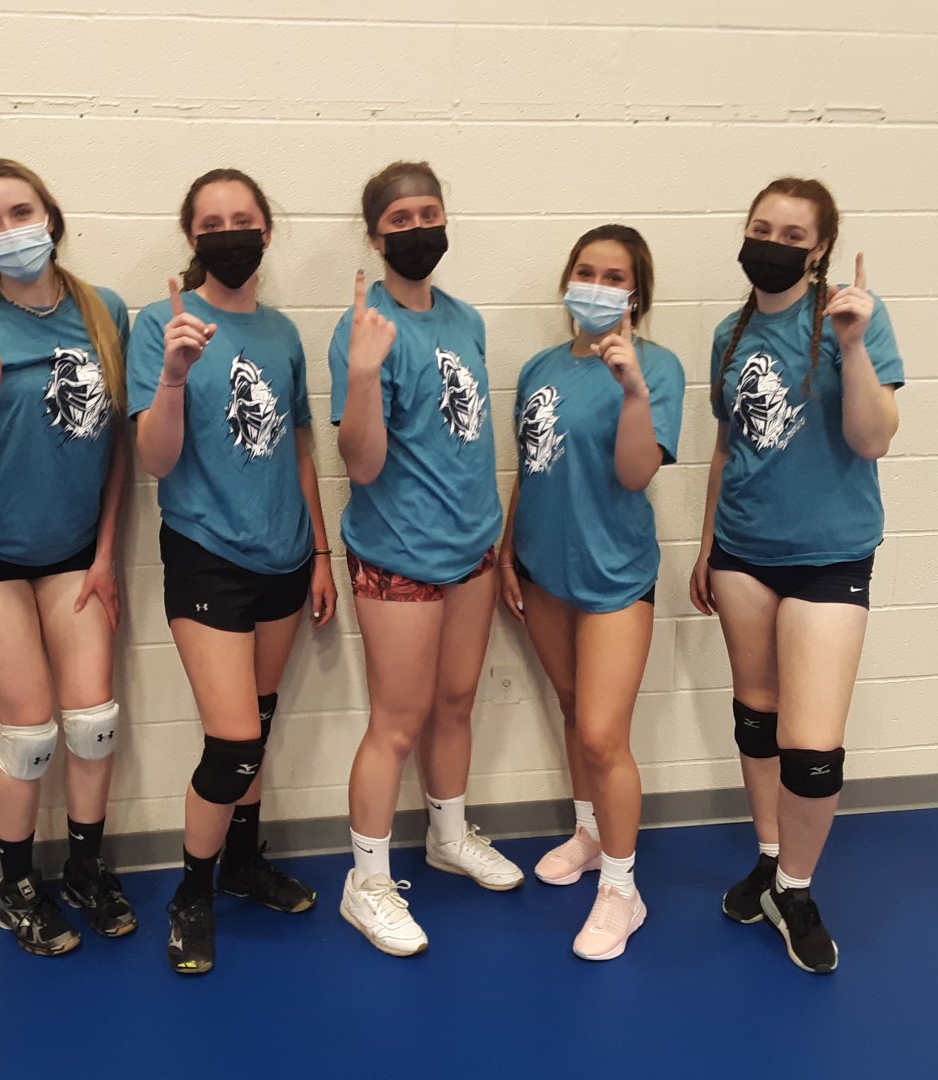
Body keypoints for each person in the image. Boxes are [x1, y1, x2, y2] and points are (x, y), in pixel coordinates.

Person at [688, 178, 903, 974]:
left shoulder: (854, 319)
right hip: (743, 553)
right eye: (761, 228)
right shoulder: (730, 333)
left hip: (828, 556)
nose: (771, 244)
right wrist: (707, 546)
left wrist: (854, 345)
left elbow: (873, 439)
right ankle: (771, 858)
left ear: (819, 250)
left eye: (791, 235)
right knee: (757, 715)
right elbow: (727, 447)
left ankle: (797, 890)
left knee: (811, 748)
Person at [129, 168, 337, 975]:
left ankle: (245, 863)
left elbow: (300, 446)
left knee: (261, 720)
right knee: (233, 741)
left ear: (266, 231)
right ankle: (192, 892)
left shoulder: (281, 332)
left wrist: (320, 551)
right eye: (211, 224)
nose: (229, 234)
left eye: (242, 220)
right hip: (206, 553)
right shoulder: (163, 322)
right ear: (192, 237)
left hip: (286, 551)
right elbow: (154, 459)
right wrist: (174, 375)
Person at [0, 158, 134, 957]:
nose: (9, 230)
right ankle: (14, 888)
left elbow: (117, 445)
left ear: (50, 214)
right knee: (30, 736)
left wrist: (107, 552)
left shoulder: (104, 310)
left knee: (93, 724)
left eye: (20, 211)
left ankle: (85, 869)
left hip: (77, 549)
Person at [330, 160, 523, 959]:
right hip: (398, 554)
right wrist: (363, 372)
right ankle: (367, 883)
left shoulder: (465, 319)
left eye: (428, 214)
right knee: (397, 722)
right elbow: (361, 463)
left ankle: (447, 836)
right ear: (375, 237)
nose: (417, 230)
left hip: (470, 548)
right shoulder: (364, 327)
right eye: (400, 220)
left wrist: (493, 539)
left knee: (455, 702)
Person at [500, 224, 684, 960]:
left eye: (615, 277)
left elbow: (637, 473)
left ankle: (621, 887)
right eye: (586, 271)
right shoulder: (540, 368)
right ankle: (588, 830)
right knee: (573, 709)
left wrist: (632, 388)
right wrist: (509, 548)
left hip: (614, 577)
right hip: (544, 568)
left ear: (637, 294)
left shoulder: (659, 367)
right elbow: (531, 464)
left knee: (605, 735)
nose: (597, 287)